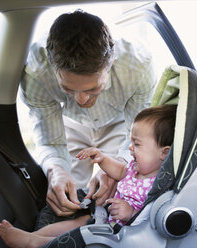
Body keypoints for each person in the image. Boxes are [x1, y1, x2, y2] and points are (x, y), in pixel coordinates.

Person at [19, 9, 157, 216]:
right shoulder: (35, 75)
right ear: (52, 68)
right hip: (69, 123)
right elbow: (50, 142)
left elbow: (139, 135)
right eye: (68, 89)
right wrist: (55, 171)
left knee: (118, 191)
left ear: (110, 64)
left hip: (120, 122)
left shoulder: (139, 67)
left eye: (92, 89)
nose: (81, 99)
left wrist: (117, 169)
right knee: (65, 192)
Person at [0, 104, 177, 248]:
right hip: (106, 219)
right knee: (80, 221)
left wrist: (131, 214)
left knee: (83, 234)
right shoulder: (135, 168)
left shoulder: (161, 186)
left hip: (121, 234)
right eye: (130, 142)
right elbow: (120, 171)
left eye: (136, 144)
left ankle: (35, 243)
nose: (130, 148)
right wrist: (102, 158)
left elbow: (154, 220)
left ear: (164, 153)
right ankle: (31, 236)